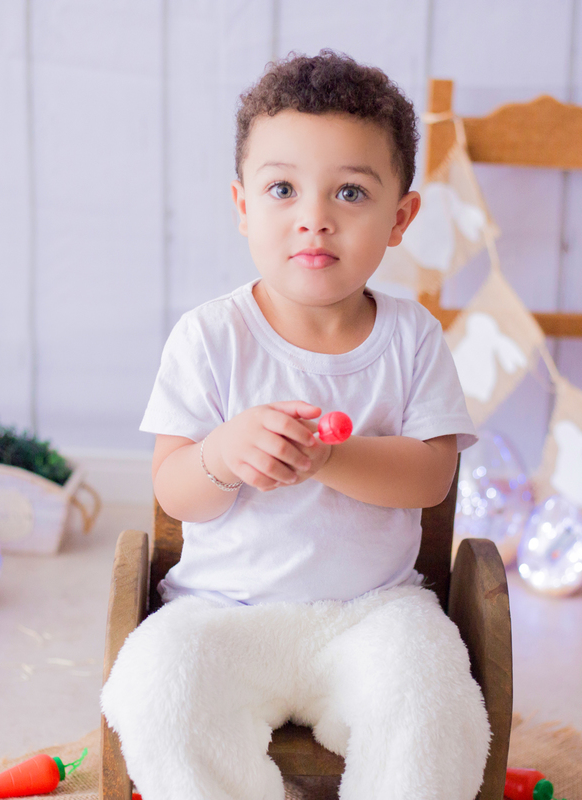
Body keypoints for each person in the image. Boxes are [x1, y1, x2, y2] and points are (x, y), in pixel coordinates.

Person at [101, 50, 490, 800]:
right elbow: (176, 491)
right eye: (283, 189)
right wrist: (219, 454)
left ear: (400, 217)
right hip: (222, 611)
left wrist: (328, 460)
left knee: (434, 703)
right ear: (245, 205)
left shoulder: (412, 338)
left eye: (350, 191)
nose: (314, 216)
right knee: (156, 690)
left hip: (373, 613)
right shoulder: (210, 338)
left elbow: (433, 475)